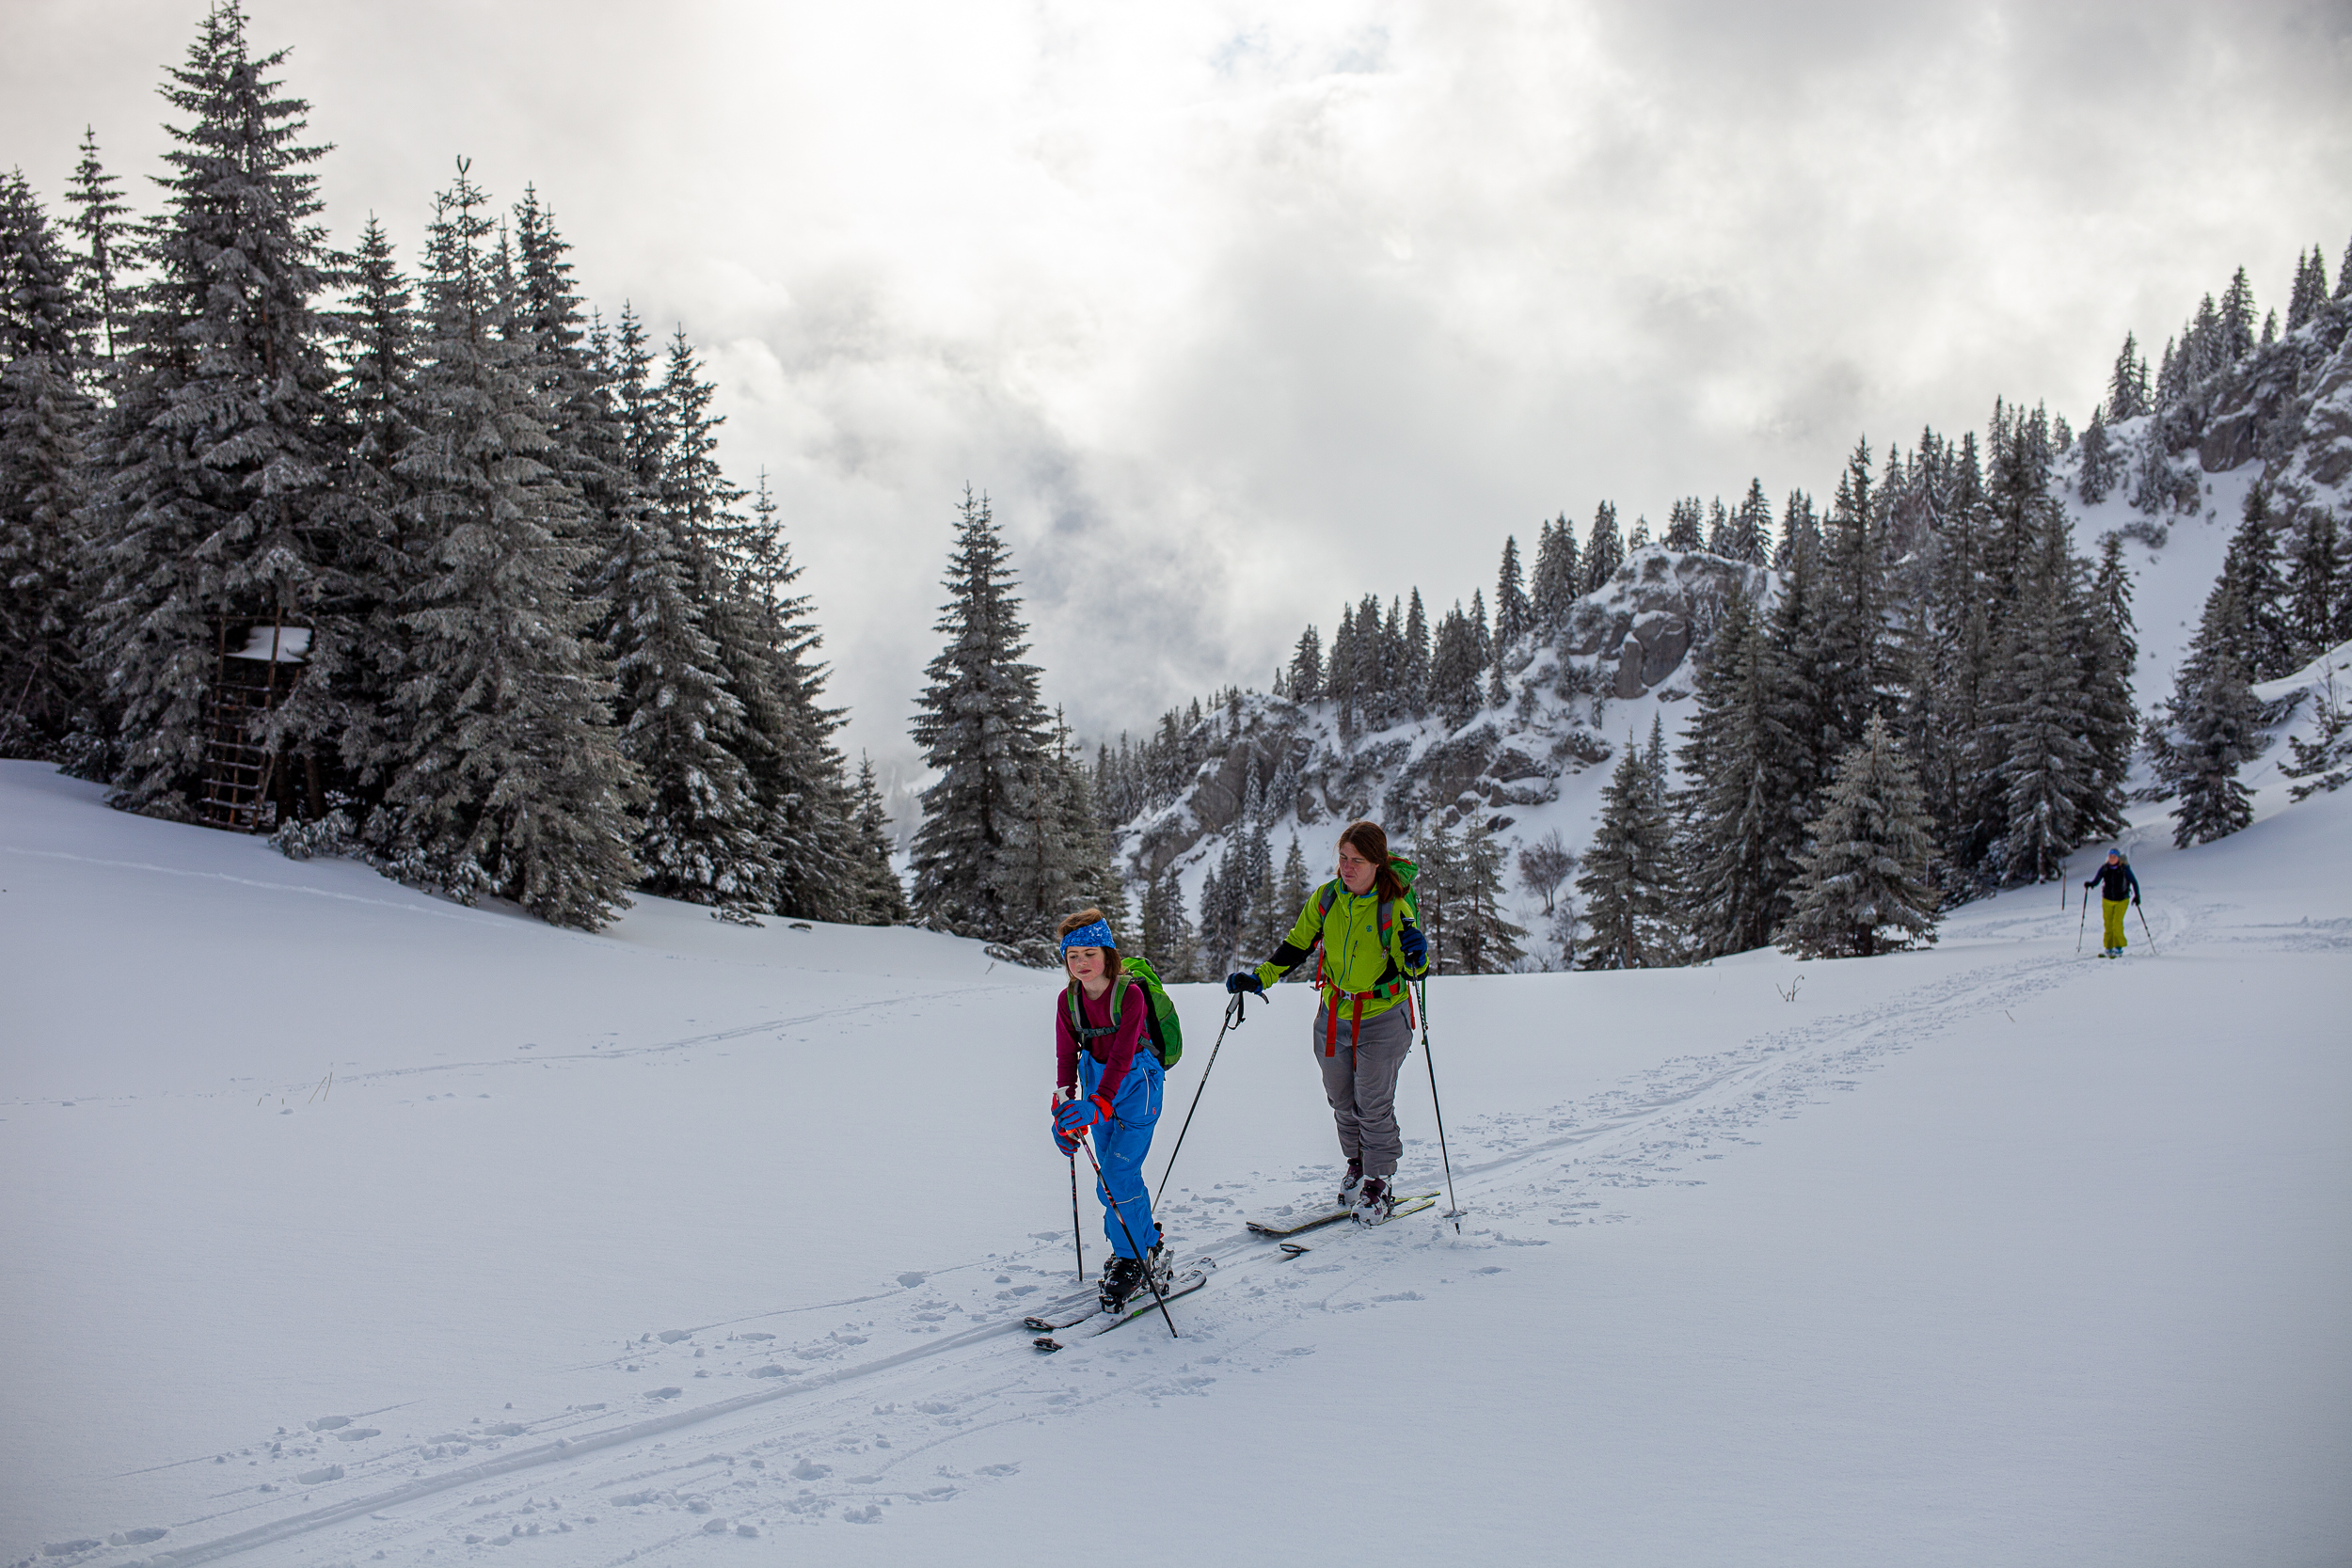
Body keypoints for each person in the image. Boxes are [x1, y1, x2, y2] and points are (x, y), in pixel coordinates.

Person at [1225, 820, 1430, 1221]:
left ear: (1377, 864)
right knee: (1341, 1099)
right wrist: (1259, 977)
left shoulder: (1394, 906)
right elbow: (1297, 945)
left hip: (1383, 1016)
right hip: (1334, 1014)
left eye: (1357, 860)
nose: (1347, 867)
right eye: (1343, 858)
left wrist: (1418, 954)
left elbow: (1413, 970)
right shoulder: (1327, 899)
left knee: (1373, 1102)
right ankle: (1356, 1163)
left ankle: (1379, 1180)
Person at [1050, 908, 1167, 1311]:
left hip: (1138, 1088)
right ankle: (1142, 1246)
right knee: (1115, 1178)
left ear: (1108, 954)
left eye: (1089, 954)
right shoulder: (1068, 1002)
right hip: (1099, 1089)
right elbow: (1067, 1059)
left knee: (1117, 1174)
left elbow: (1120, 1058)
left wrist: (1097, 1104)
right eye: (1072, 956)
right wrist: (1064, 1108)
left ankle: (1134, 1257)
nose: (1081, 964)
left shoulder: (1129, 995)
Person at [2082, 847, 2142, 958]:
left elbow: (2134, 882)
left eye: (2114, 856)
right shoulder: (2104, 868)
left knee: (2117, 924)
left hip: (2122, 899)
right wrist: (2090, 884)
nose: (2111, 858)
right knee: (2108, 924)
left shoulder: (2124, 869)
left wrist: (2137, 896)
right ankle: (2108, 948)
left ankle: (2118, 948)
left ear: (2118, 858)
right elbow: (2096, 880)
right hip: (2107, 899)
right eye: (2110, 856)